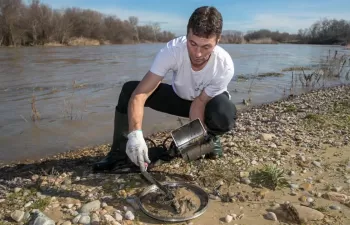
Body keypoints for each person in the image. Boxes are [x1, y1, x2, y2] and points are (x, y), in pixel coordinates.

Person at [93, 6, 237, 172]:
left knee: (224, 113)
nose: (198, 54)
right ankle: (118, 154)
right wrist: (135, 134)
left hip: (206, 103)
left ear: (217, 40)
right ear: (187, 34)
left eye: (206, 47)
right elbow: (139, 96)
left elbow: (199, 103)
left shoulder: (225, 65)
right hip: (179, 98)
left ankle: (211, 140)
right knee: (129, 90)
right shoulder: (172, 50)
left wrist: (196, 139)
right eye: (193, 43)